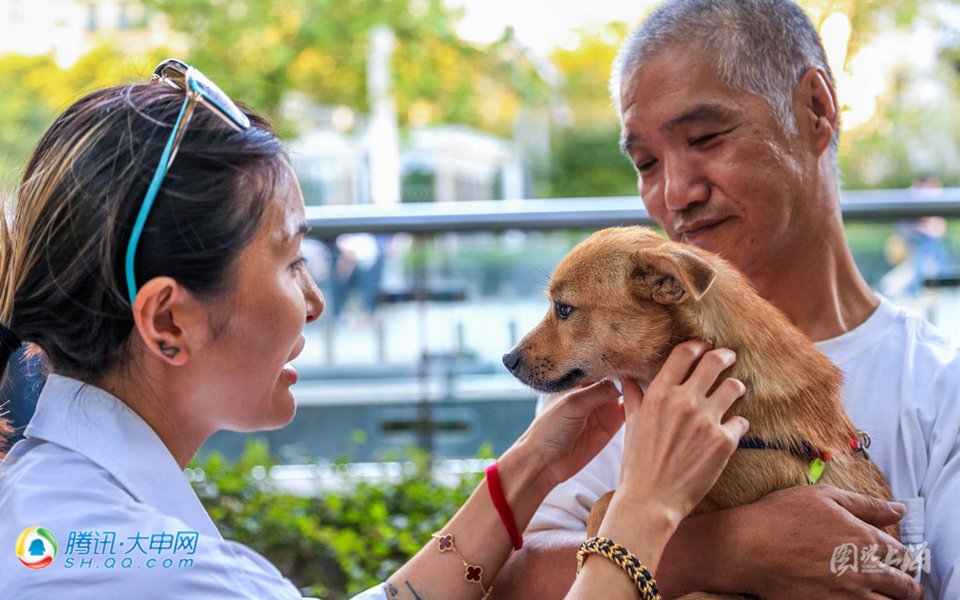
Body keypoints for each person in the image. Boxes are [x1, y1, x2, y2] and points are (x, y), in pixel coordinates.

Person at [0, 58, 751, 598]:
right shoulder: (148, 573)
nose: (318, 300)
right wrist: (644, 512)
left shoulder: (56, 506)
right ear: (168, 320)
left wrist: (530, 469)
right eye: (292, 260)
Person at [493, 1, 960, 599]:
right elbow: (506, 578)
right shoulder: (603, 364)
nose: (674, 193)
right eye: (645, 162)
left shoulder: (938, 390)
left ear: (816, 111)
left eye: (706, 137)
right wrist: (733, 550)